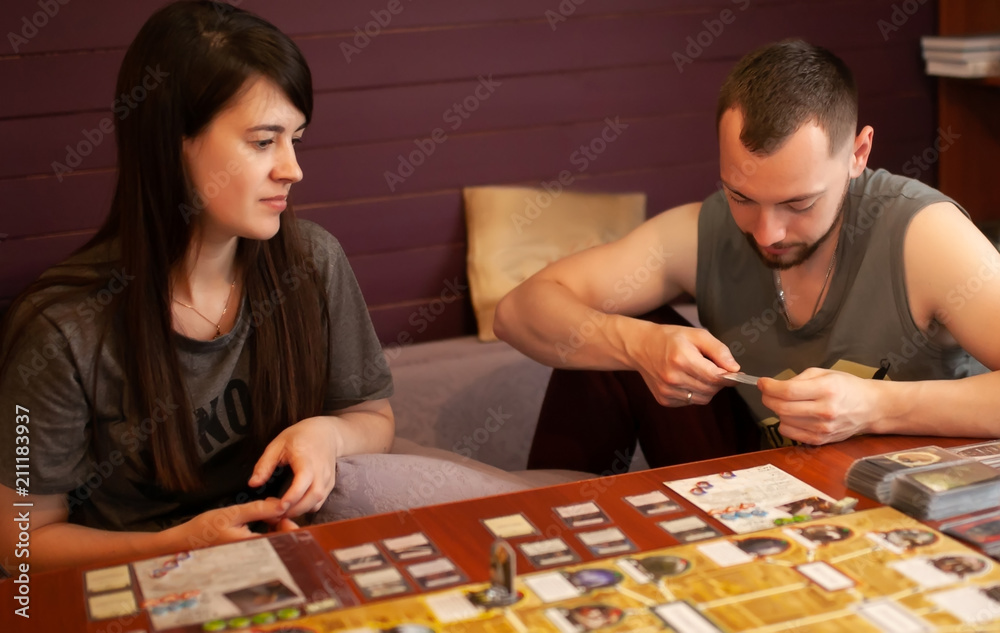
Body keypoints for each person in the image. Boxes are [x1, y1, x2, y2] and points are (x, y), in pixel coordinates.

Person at [0, 1, 572, 575]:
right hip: (150, 580)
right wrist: (180, 543)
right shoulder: (62, 330)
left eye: (296, 138)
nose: (293, 169)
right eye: (263, 141)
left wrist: (327, 435)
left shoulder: (311, 261)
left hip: (300, 550)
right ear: (172, 142)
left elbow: (372, 415)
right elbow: (20, 547)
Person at [494, 39, 1000, 474]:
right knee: (612, 336)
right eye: (741, 197)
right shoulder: (702, 230)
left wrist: (878, 407)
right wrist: (639, 345)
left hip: (896, 493)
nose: (766, 232)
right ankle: (540, 548)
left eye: (798, 203)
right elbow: (518, 311)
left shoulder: (924, 234)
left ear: (858, 155)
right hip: (756, 483)